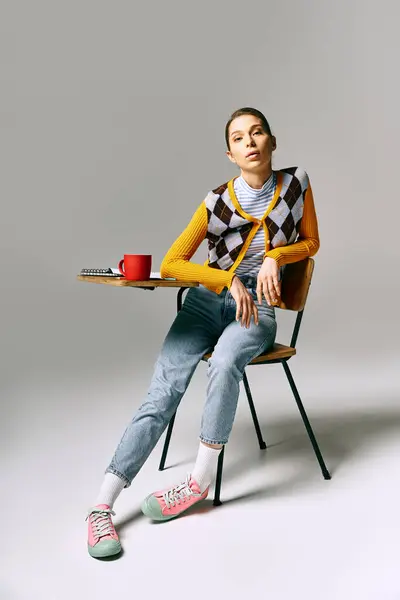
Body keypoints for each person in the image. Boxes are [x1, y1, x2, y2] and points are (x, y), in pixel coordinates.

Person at [86, 107, 320, 558]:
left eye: (257, 133)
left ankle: (198, 482)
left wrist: (276, 257)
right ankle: (102, 507)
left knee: (228, 360)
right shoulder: (216, 201)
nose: (249, 142)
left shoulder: (297, 184)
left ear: (272, 141)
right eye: (239, 138)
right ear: (230, 154)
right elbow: (174, 262)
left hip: (258, 307)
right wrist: (226, 279)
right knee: (164, 391)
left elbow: (312, 242)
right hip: (205, 302)